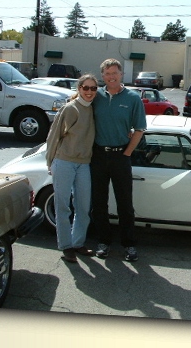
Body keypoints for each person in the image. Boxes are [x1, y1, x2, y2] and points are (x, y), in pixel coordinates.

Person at [91, 59, 147, 262]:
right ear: (102, 76)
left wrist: (126, 153)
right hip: (97, 156)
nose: (111, 76)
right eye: (107, 73)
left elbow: (139, 129)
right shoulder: (95, 96)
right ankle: (103, 242)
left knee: (125, 203)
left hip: (120, 156)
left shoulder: (132, 98)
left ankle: (129, 244)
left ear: (121, 74)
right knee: (99, 203)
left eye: (115, 73)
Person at [46, 74, 99, 263]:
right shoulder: (70, 108)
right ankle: (66, 246)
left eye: (93, 88)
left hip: (84, 163)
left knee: (83, 207)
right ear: (79, 88)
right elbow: (54, 136)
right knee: (62, 206)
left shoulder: (93, 109)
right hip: (64, 162)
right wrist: (49, 161)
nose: (90, 92)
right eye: (86, 88)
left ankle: (78, 242)